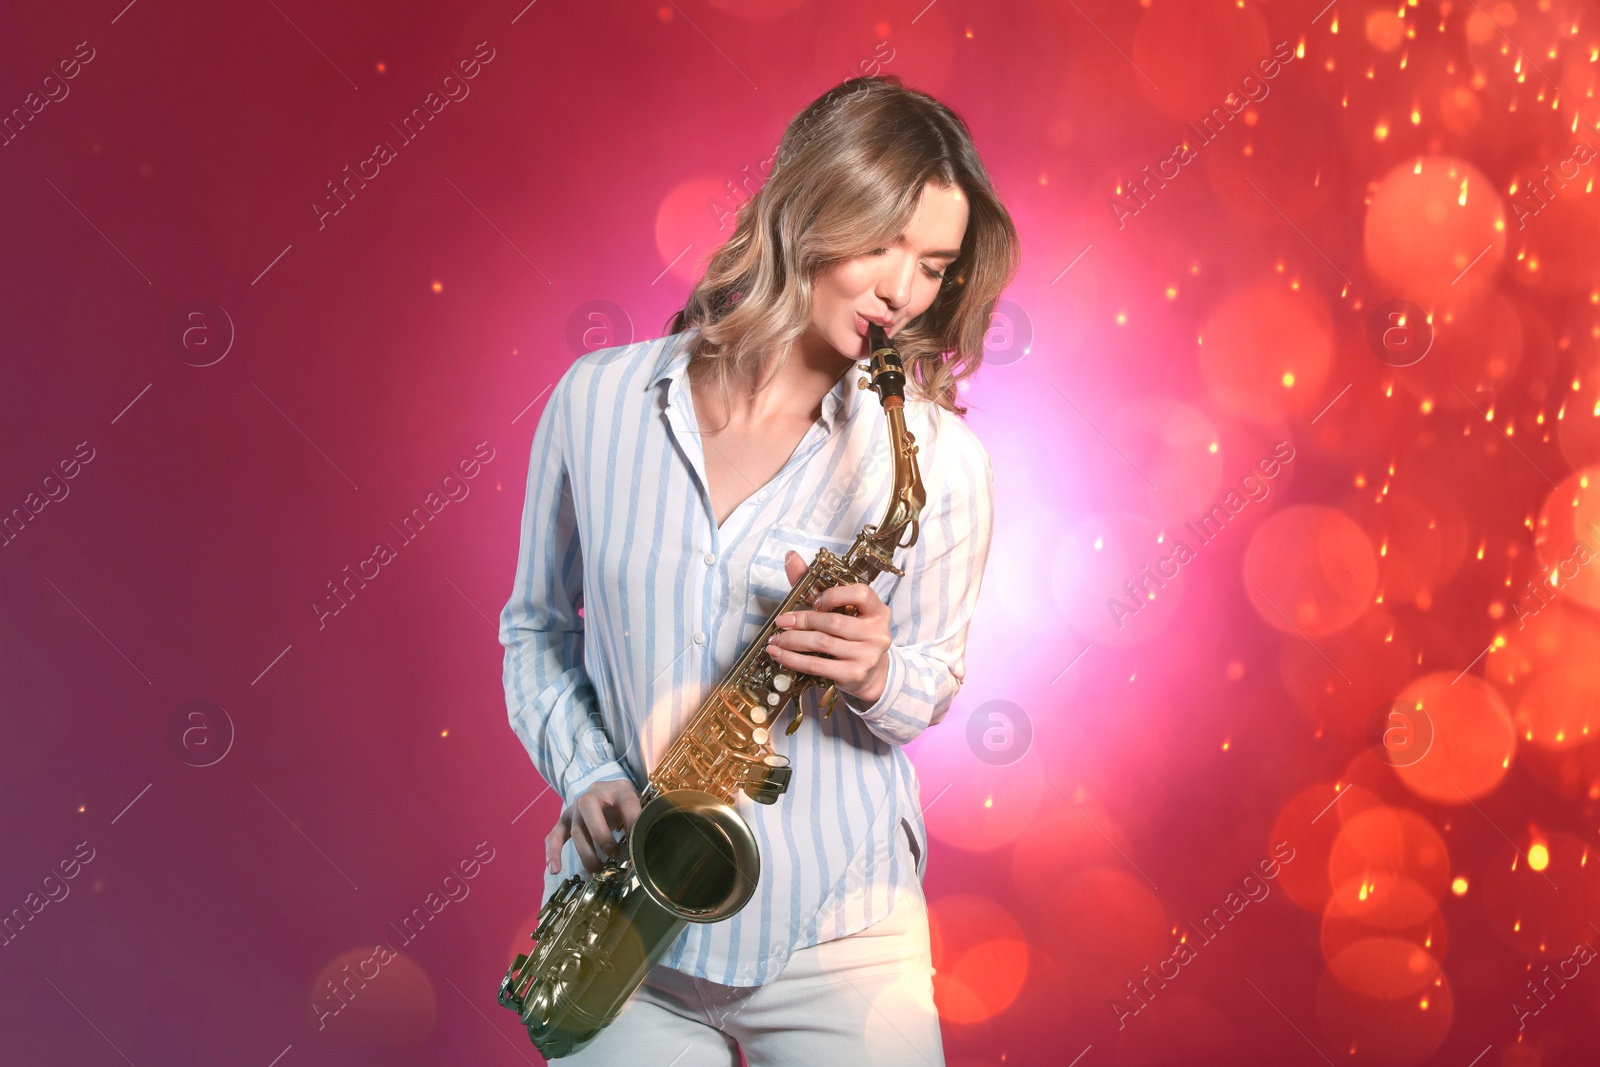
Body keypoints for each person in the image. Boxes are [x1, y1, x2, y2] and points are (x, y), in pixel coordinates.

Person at [499, 73, 1018, 1066]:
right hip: (627, 929)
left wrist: (875, 670)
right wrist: (590, 772)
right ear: (805, 209)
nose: (901, 291)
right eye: (880, 242)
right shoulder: (595, 404)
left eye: (934, 266)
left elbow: (931, 680)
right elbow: (533, 629)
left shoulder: (941, 464)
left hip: (843, 932)